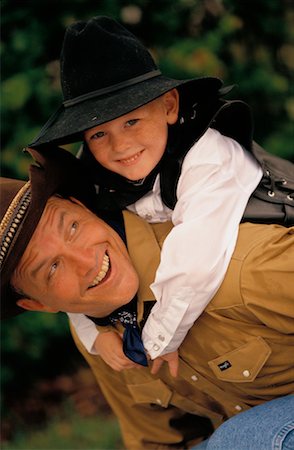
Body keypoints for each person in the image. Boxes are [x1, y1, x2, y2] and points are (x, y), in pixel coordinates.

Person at [28, 15, 294, 375]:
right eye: (98, 135)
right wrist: (96, 331)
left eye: (131, 121)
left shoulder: (208, 156)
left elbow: (195, 256)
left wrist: (156, 343)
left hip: (266, 257)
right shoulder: (94, 172)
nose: (120, 146)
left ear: (169, 107)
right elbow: (70, 259)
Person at [1, 146, 293, 449]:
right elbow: (157, 440)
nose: (85, 261)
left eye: (72, 227)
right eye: (52, 268)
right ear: (39, 304)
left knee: (240, 440)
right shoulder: (98, 334)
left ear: (83, 208)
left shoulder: (240, 271)